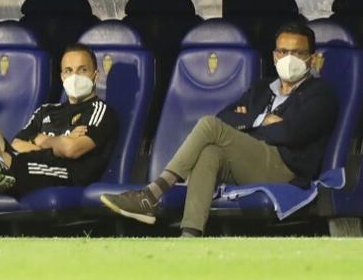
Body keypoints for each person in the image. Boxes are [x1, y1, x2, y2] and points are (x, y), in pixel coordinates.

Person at [100, 22, 338, 237]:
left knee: (209, 127)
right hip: (250, 161)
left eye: (297, 53)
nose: (289, 58)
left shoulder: (320, 94)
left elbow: (290, 134)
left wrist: (248, 124)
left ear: (312, 58)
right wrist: (262, 121)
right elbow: (225, 116)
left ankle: (151, 194)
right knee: (210, 152)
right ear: (275, 56)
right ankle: (190, 235)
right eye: (283, 52)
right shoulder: (262, 87)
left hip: (285, 169)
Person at [0, 43, 119, 238]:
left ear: (95, 75)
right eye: (68, 71)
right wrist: (58, 142)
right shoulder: (47, 110)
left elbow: (72, 150)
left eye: (82, 70)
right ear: (62, 76)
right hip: (26, 163)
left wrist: (41, 140)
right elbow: (18, 144)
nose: (75, 77)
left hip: (61, 172)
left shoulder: (99, 111)